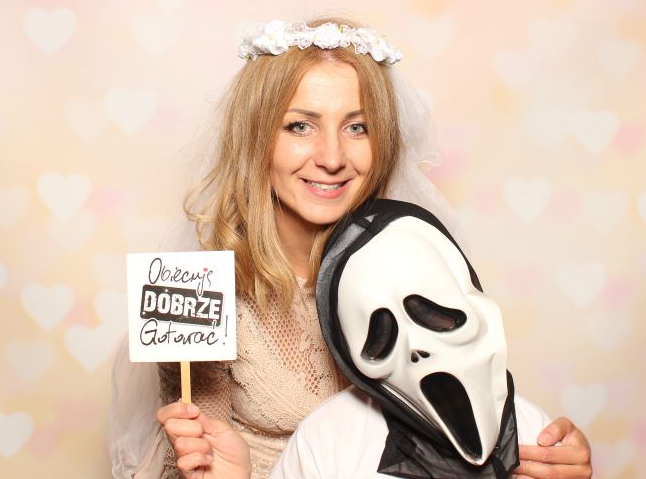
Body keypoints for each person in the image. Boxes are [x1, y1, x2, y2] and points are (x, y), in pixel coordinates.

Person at [108, 17, 592, 478]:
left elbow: (467, 420)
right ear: (256, 138)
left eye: (357, 127)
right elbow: (201, 460)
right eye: (300, 126)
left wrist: (543, 454)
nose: (332, 157)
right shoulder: (202, 297)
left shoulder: (414, 263)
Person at [161, 199, 580, 479]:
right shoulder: (328, 434)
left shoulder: (531, 430)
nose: (416, 348)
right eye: (381, 337)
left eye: (433, 314)